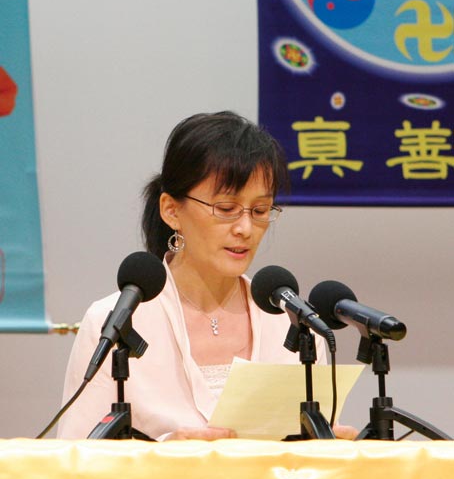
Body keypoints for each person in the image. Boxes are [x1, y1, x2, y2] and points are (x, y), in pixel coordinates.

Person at [57, 111, 355, 441]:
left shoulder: (295, 324)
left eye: (259, 211)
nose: (245, 228)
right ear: (171, 210)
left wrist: (330, 449)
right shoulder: (115, 322)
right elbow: (76, 458)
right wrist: (163, 455)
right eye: (226, 209)